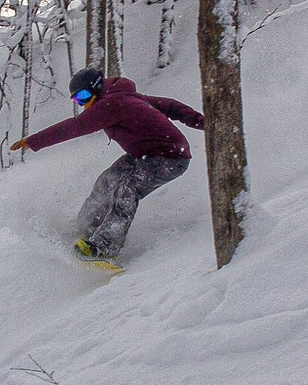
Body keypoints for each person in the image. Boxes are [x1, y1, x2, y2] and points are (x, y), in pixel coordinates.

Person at [10, 67, 205, 263]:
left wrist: (34, 141)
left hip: (170, 158)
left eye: (85, 96)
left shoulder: (111, 103)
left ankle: (105, 247)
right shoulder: (124, 97)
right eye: (78, 100)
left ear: (95, 89)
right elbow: (170, 106)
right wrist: (202, 121)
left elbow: (75, 127)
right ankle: (84, 229)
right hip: (144, 155)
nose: (83, 104)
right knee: (106, 182)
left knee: (127, 190)